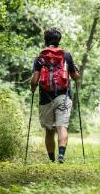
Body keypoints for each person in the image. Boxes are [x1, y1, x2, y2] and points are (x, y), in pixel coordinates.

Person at [31, 27, 80, 164]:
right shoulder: (66, 55)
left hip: (45, 98)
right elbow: (75, 77)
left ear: (46, 40)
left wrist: (32, 89)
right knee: (62, 127)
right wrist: (77, 71)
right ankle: (61, 156)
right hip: (63, 96)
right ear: (59, 40)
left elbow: (35, 80)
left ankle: (52, 159)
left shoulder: (40, 57)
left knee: (49, 131)